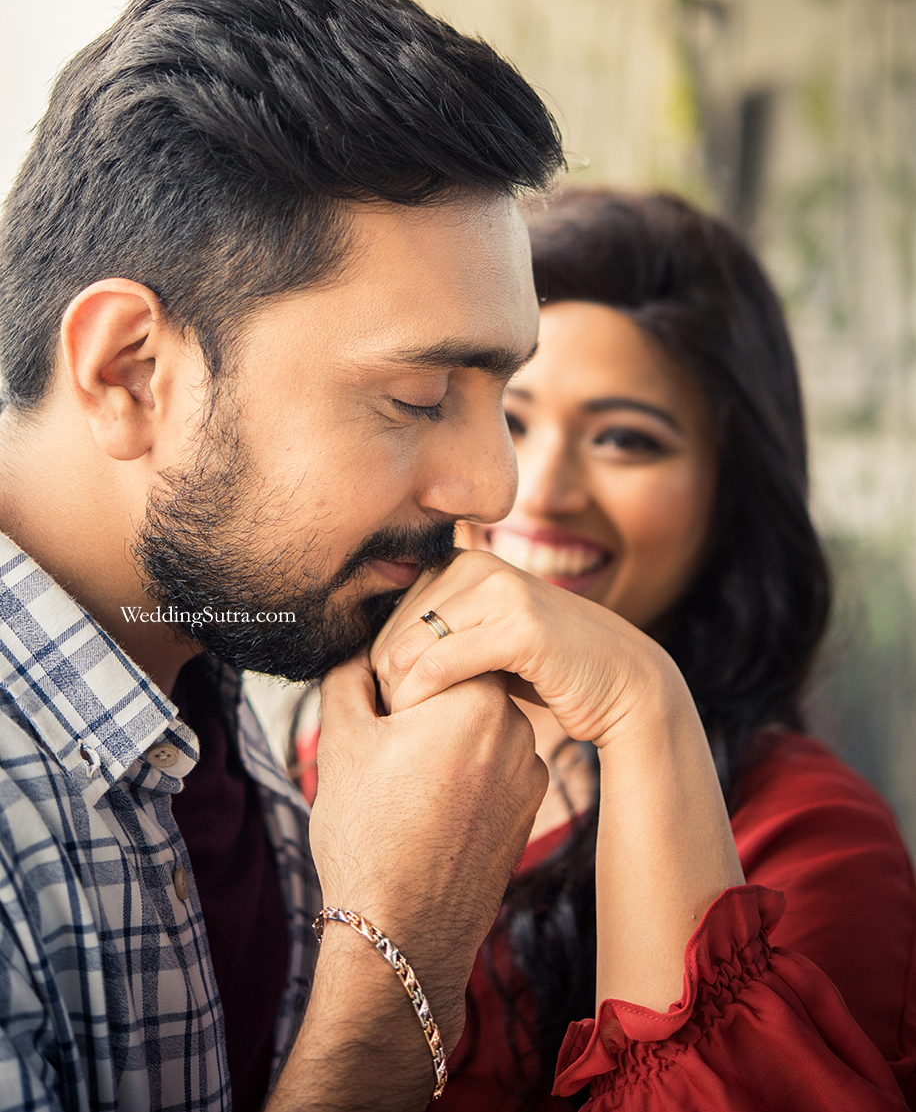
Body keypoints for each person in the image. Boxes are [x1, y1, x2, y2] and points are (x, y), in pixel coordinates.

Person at [0, 0, 566, 1111]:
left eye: (498, 396)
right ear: (131, 371)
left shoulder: (209, 654)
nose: (493, 486)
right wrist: (398, 965)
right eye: (417, 397)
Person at [359, 189, 915, 1110]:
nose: (537, 490)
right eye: (511, 420)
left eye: (625, 438)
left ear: (730, 497)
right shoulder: (338, 745)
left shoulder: (815, 839)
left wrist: (642, 700)